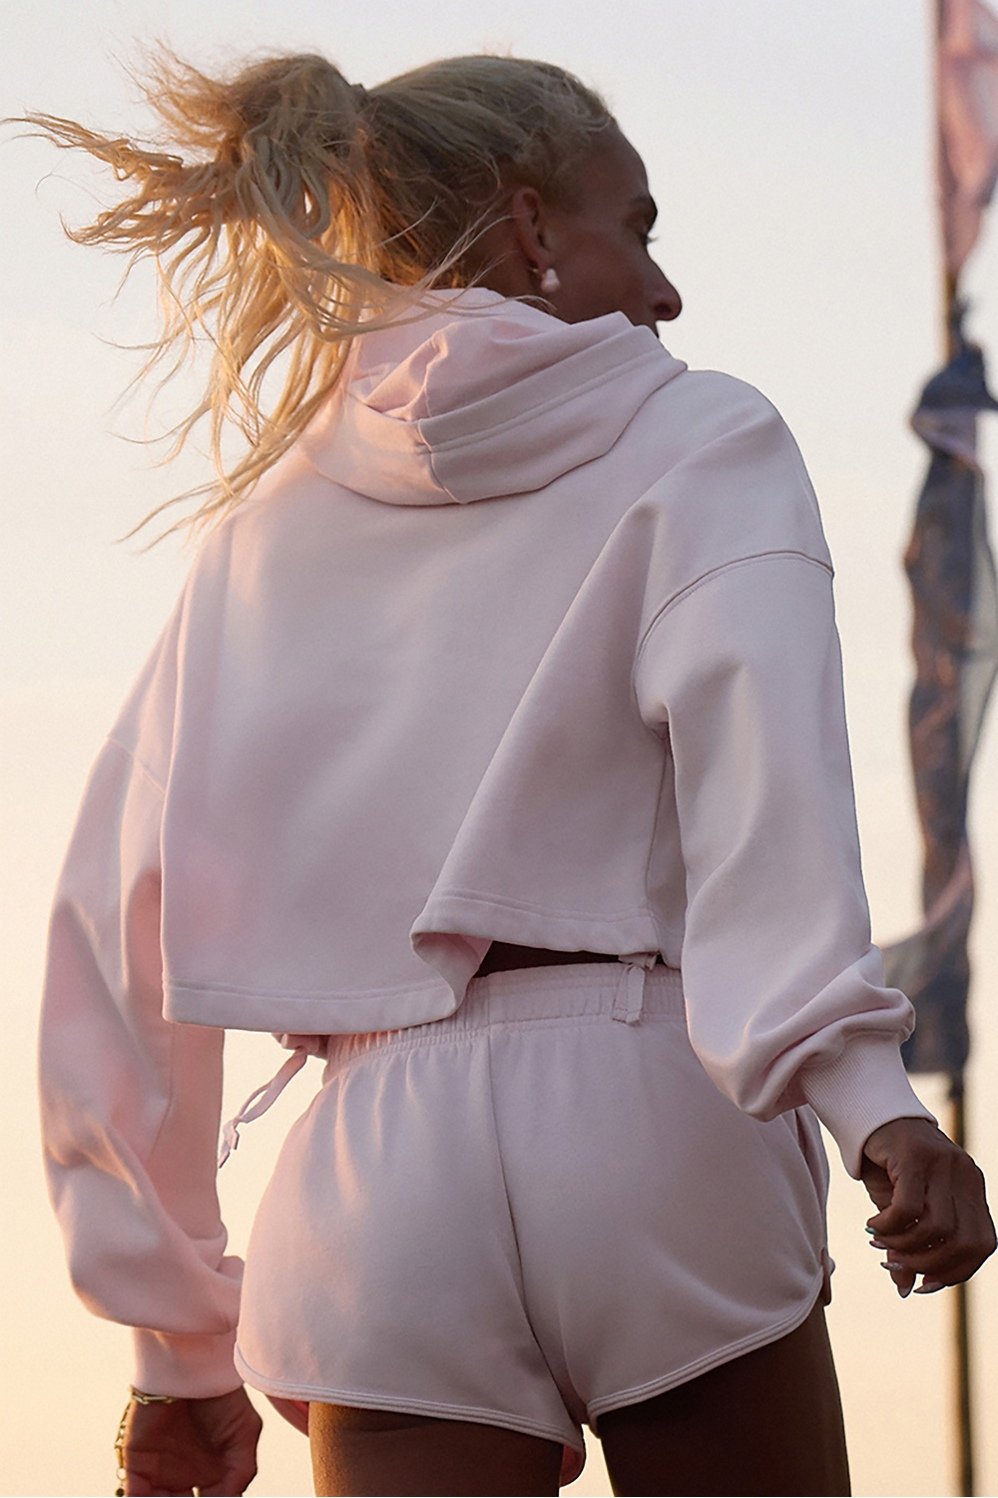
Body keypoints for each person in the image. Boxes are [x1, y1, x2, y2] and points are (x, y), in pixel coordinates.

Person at [31, 48, 995, 1498]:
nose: (666, 291)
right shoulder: (703, 435)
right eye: (639, 227)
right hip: (657, 1107)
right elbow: (766, 803)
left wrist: (175, 1343)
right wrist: (874, 1103)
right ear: (536, 227)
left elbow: (118, 925)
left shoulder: (261, 523)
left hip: (376, 1168)